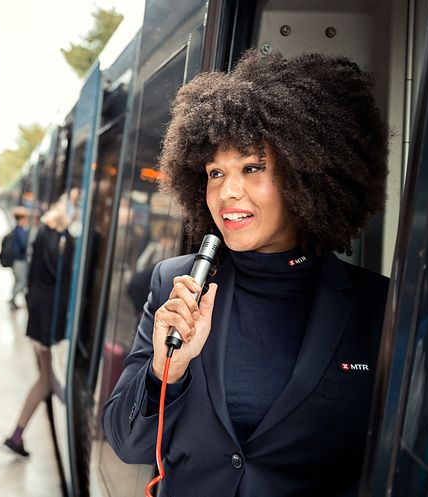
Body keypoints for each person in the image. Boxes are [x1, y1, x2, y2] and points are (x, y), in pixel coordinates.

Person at [102, 50, 390, 497]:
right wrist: (166, 370)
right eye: (215, 172)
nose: (227, 191)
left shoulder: (378, 307)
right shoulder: (177, 286)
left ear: (307, 174)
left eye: (252, 168)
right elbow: (126, 443)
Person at [4, 201, 74, 457]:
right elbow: (61, 270)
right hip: (46, 319)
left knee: (47, 378)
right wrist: (68, 235)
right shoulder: (53, 238)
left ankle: (17, 435)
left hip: (38, 316)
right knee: (45, 380)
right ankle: (16, 433)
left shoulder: (42, 235)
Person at [9, 206, 30, 309]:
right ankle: (12, 299)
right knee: (22, 282)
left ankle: (12, 299)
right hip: (19, 260)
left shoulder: (16, 230)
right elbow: (23, 245)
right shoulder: (21, 231)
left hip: (16, 260)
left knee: (18, 281)